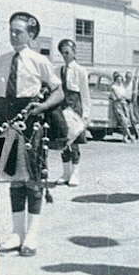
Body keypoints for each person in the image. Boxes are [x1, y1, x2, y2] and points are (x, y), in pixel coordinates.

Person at [0, 12, 64, 258]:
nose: (13, 35)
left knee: (33, 180)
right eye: (11, 30)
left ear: (31, 35)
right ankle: (16, 233)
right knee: (14, 178)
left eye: (19, 32)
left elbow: (58, 92)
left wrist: (43, 107)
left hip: (31, 124)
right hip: (7, 124)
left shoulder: (39, 60)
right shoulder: (1, 60)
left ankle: (32, 235)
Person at [55, 39, 90, 187]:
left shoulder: (80, 71)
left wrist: (86, 115)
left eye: (67, 52)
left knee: (74, 143)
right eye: (62, 52)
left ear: (74, 52)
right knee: (63, 142)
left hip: (75, 108)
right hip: (61, 108)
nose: (65, 55)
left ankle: (75, 173)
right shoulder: (58, 70)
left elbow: (85, 93)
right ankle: (66, 173)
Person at [111, 72, 138, 144]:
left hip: (124, 103)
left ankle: (125, 137)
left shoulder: (122, 86)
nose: (119, 81)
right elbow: (118, 96)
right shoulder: (114, 87)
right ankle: (131, 137)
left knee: (127, 120)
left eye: (120, 79)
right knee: (123, 121)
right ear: (115, 80)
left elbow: (126, 94)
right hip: (118, 104)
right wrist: (123, 97)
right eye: (118, 80)